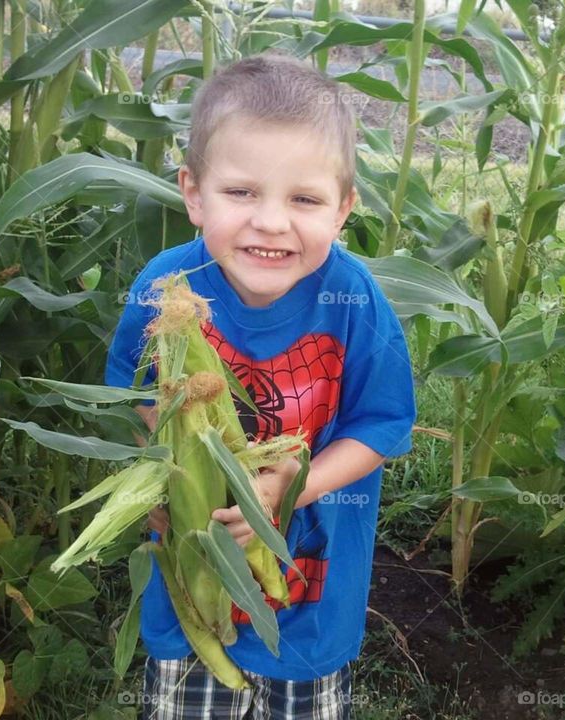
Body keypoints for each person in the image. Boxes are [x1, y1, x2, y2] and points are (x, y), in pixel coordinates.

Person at [105, 53, 417, 720]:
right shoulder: (167, 288)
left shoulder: (352, 297)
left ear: (344, 210)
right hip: (189, 580)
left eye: (304, 199)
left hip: (308, 590)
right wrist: (159, 483)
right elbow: (126, 397)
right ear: (193, 193)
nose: (271, 222)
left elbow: (383, 424)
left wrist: (286, 487)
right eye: (241, 192)